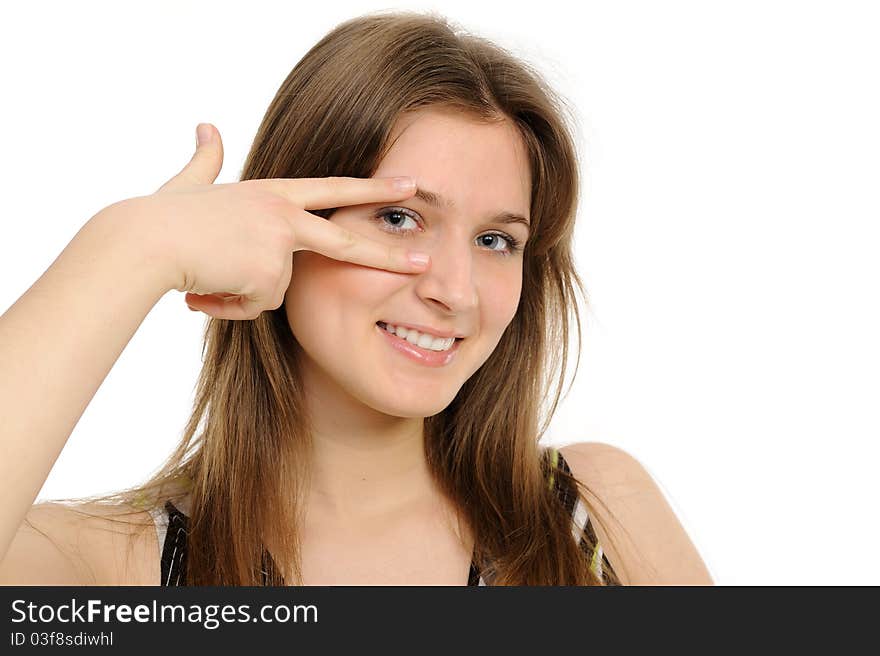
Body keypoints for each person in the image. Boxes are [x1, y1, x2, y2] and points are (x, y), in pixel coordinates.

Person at [0, 11, 712, 586]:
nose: (454, 291)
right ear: (283, 223)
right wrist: (130, 247)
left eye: (496, 240)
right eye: (399, 218)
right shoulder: (115, 567)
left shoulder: (591, 516)